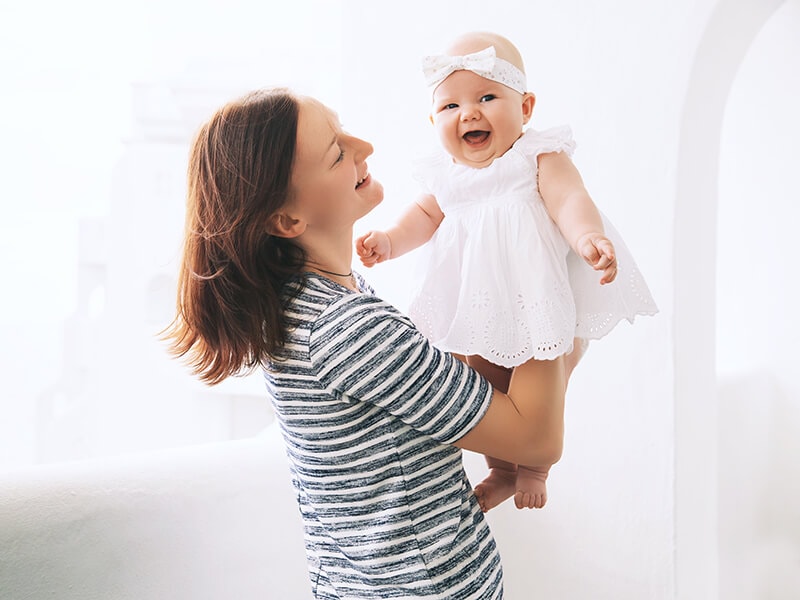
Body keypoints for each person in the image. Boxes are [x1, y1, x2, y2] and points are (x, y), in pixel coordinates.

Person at [163, 87, 570, 599]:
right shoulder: (346, 328)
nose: (365, 147)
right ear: (287, 221)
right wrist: (536, 263)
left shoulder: (308, 301)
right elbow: (535, 439)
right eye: (337, 151)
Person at [356, 31, 658, 513]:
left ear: (527, 108)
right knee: (487, 384)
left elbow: (569, 199)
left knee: (537, 382)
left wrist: (586, 237)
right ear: (433, 119)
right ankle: (501, 471)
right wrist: (390, 241)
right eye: (450, 106)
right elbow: (423, 218)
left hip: (535, 300)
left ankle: (535, 468)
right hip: (476, 307)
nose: (469, 113)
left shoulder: (536, 156)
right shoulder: (445, 174)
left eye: (487, 97)